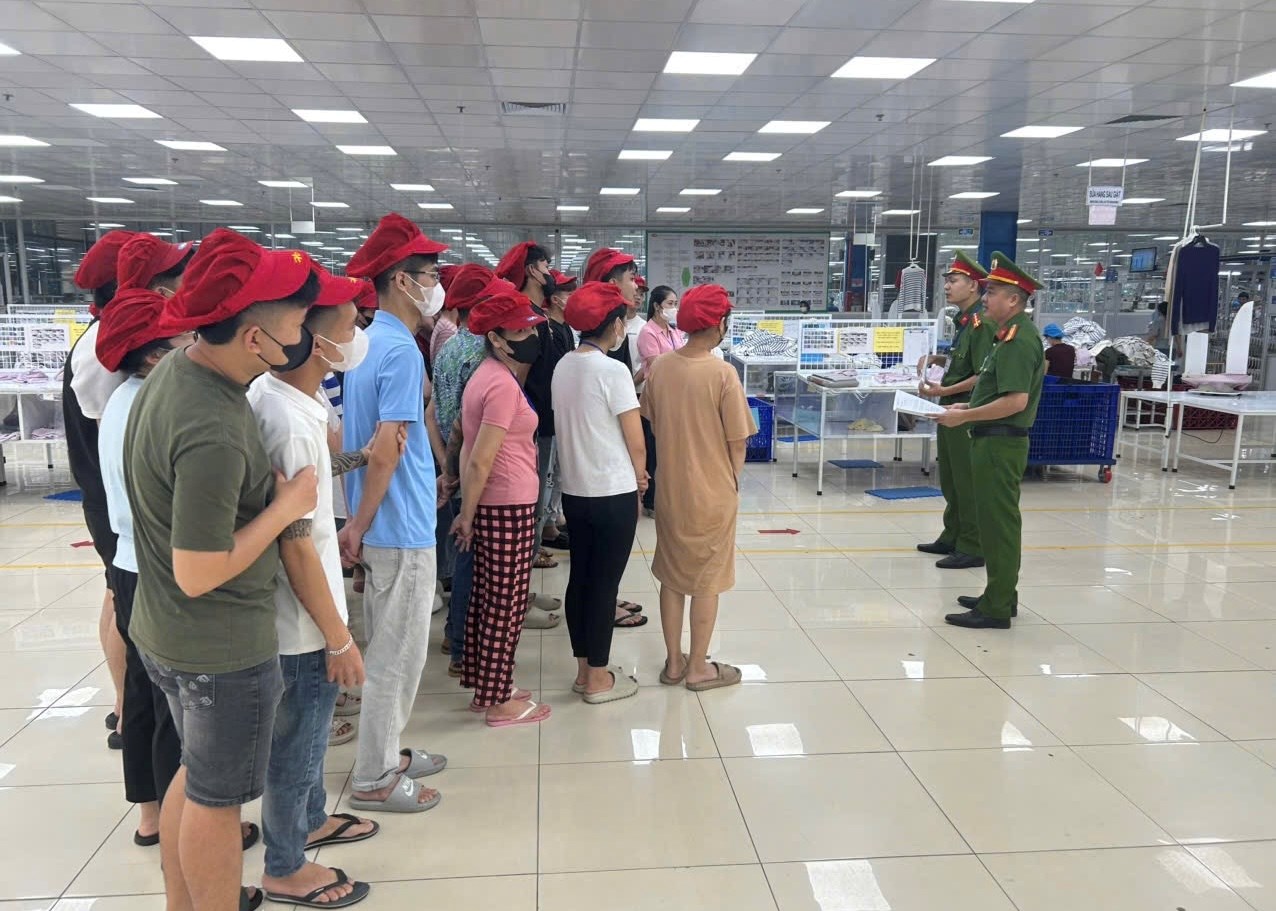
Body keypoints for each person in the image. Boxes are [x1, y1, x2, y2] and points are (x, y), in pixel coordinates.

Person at [124, 228, 322, 911]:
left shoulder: (181, 370)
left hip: (167, 634)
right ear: (253, 337)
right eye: (295, 319)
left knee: (197, 775)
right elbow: (199, 569)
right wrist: (287, 504)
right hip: (217, 646)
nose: (305, 328)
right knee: (216, 799)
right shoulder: (209, 423)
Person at [247, 265, 379, 908]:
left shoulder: (294, 401)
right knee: (300, 736)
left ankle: (307, 820)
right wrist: (337, 635)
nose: (357, 338)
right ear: (309, 340)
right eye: (349, 327)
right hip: (300, 619)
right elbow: (294, 545)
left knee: (308, 730)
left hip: (309, 605)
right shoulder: (286, 417)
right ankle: (284, 863)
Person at [339, 212, 449, 813]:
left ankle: (388, 748)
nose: (436, 285)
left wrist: (359, 519)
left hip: (379, 518)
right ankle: (375, 776)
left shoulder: (368, 342)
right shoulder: (401, 350)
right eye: (429, 274)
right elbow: (385, 448)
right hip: (397, 526)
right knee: (397, 655)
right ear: (401, 281)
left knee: (389, 641)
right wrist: (359, 524)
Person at [66, 230, 188, 750]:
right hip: (123, 505)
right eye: (175, 278)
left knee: (124, 605)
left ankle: (130, 712)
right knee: (125, 607)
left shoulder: (109, 343)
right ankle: (126, 707)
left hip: (122, 502)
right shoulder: (106, 351)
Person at [95, 281, 191, 853]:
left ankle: (152, 816)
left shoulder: (121, 400)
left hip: (130, 564)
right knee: (174, 711)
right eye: (186, 335)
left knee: (143, 694)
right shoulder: (158, 405)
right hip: (160, 570)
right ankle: (187, 834)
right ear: (156, 354)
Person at [641, 284, 756, 692]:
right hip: (712, 493)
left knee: (672, 577)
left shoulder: (661, 368)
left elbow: (652, 421)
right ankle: (699, 670)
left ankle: (674, 663)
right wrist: (731, 482)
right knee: (706, 580)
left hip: (670, 490)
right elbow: (738, 440)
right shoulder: (722, 373)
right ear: (720, 324)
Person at [453, 286, 551, 727]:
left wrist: (469, 509)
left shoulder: (489, 376)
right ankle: (498, 702)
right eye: (521, 329)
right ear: (496, 337)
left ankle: (490, 686)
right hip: (506, 502)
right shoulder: (500, 385)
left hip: (499, 501)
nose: (531, 335)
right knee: (505, 605)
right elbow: (480, 458)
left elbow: (464, 443)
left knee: (490, 599)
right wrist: (467, 515)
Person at [936, 253, 1046, 630]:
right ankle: (998, 594)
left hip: (1001, 444)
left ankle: (997, 606)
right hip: (993, 440)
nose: (986, 297)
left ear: (1014, 299)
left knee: (998, 525)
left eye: (994, 291)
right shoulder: (1007, 336)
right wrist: (969, 403)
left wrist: (964, 415)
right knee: (993, 522)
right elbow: (997, 390)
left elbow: (1016, 401)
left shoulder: (1017, 340)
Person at [555, 282, 648, 703]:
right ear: (613, 325)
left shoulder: (563, 366)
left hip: (575, 492)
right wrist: (642, 477)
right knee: (605, 586)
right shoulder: (613, 371)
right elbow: (635, 437)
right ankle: (597, 679)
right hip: (612, 492)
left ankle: (582, 671)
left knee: (581, 580)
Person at [916, 251, 994, 571]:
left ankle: (972, 545)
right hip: (950, 411)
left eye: (954, 281)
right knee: (949, 476)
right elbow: (961, 363)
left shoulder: (981, 323)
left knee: (966, 479)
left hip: (967, 413)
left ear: (973, 286)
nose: (947, 287)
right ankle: (953, 535)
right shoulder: (963, 322)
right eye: (947, 281)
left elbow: (983, 374)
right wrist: (936, 360)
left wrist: (943, 392)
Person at [636, 285, 683, 518]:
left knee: (669, 451)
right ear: (656, 306)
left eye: (675, 304)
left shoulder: (674, 332)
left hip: (675, 398)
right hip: (655, 398)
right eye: (670, 304)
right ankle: (651, 502)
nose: (674, 308)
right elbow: (655, 366)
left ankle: (669, 497)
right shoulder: (648, 332)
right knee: (653, 451)